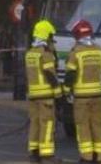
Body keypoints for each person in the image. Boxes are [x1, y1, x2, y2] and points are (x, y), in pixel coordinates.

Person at [65, 20, 101, 163]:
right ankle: (99, 155)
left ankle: (87, 157)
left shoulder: (76, 52)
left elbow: (70, 74)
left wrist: (66, 91)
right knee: (97, 124)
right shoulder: (99, 50)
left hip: (82, 96)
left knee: (83, 126)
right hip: (98, 95)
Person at [25, 19, 63, 163]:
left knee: (34, 123)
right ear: (47, 36)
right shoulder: (45, 53)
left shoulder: (31, 53)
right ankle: (47, 155)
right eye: (51, 37)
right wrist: (59, 93)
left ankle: (34, 152)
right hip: (46, 95)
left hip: (33, 95)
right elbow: (50, 74)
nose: (52, 40)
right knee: (47, 124)